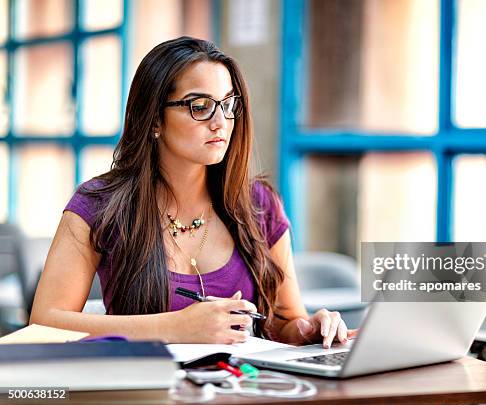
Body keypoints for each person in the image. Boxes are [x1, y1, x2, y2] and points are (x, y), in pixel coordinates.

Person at [30, 36, 355, 347]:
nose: (221, 122)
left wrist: (309, 328)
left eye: (228, 105)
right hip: (147, 391)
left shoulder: (259, 205)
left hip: (245, 393)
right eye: (200, 106)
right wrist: (175, 327)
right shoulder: (99, 205)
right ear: (155, 119)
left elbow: (286, 322)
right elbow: (45, 324)